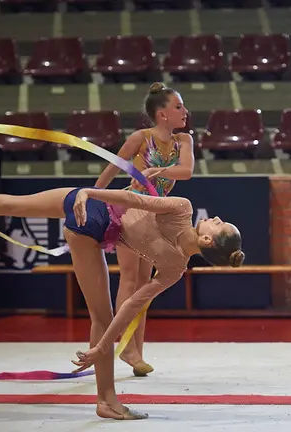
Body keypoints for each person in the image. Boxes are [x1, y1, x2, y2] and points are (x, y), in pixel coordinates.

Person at [0, 187, 244, 420]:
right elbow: (133, 198)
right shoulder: (179, 218)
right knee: (100, 316)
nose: (216, 218)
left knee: (18, 203)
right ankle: (106, 401)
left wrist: (102, 347)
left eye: (219, 224)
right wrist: (89, 193)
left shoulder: (176, 258)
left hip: (89, 217)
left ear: (207, 241)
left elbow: (132, 306)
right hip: (90, 207)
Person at [93, 82, 194, 377]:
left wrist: (154, 170)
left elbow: (186, 171)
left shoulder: (184, 141)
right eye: (178, 107)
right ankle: (127, 347)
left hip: (156, 214)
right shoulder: (141, 138)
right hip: (131, 210)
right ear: (162, 114)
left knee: (144, 285)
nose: (185, 111)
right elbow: (112, 168)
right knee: (129, 278)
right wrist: (91, 196)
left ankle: (136, 348)